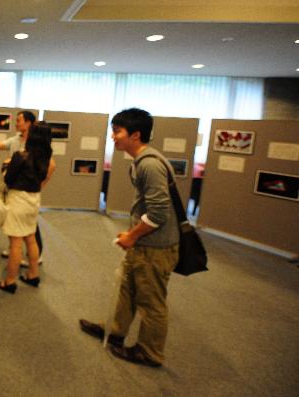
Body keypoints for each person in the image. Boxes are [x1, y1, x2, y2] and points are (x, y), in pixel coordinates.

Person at [79, 108, 179, 367]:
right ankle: (115, 331)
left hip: (155, 247)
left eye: (117, 132)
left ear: (136, 135)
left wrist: (132, 236)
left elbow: (159, 212)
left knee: (151, 300)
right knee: (127, 289)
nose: (113, 137)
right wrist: (133, 234)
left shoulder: (150, 164)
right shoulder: (143, 161)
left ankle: (150, 352)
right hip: (144, 243)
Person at [0, 111, 52, 265]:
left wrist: (39, 186)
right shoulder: (15, 140)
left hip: (26, 192)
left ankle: (31, 258)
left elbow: (50, 166)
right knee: (14, 225)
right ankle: (17, 252)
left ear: (28, 123)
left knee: (30, 229)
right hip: (14, 189)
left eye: (19, 120)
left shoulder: (37, 144)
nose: (16, 123)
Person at [0, 123, 53, 294]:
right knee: (31, 238)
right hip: (34, 200)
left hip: (18, 200)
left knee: (15, 244)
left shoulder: (21, 156)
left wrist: (6, 166)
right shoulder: (47, 159)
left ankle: (10, 281)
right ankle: (33, 275)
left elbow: (8, 179)